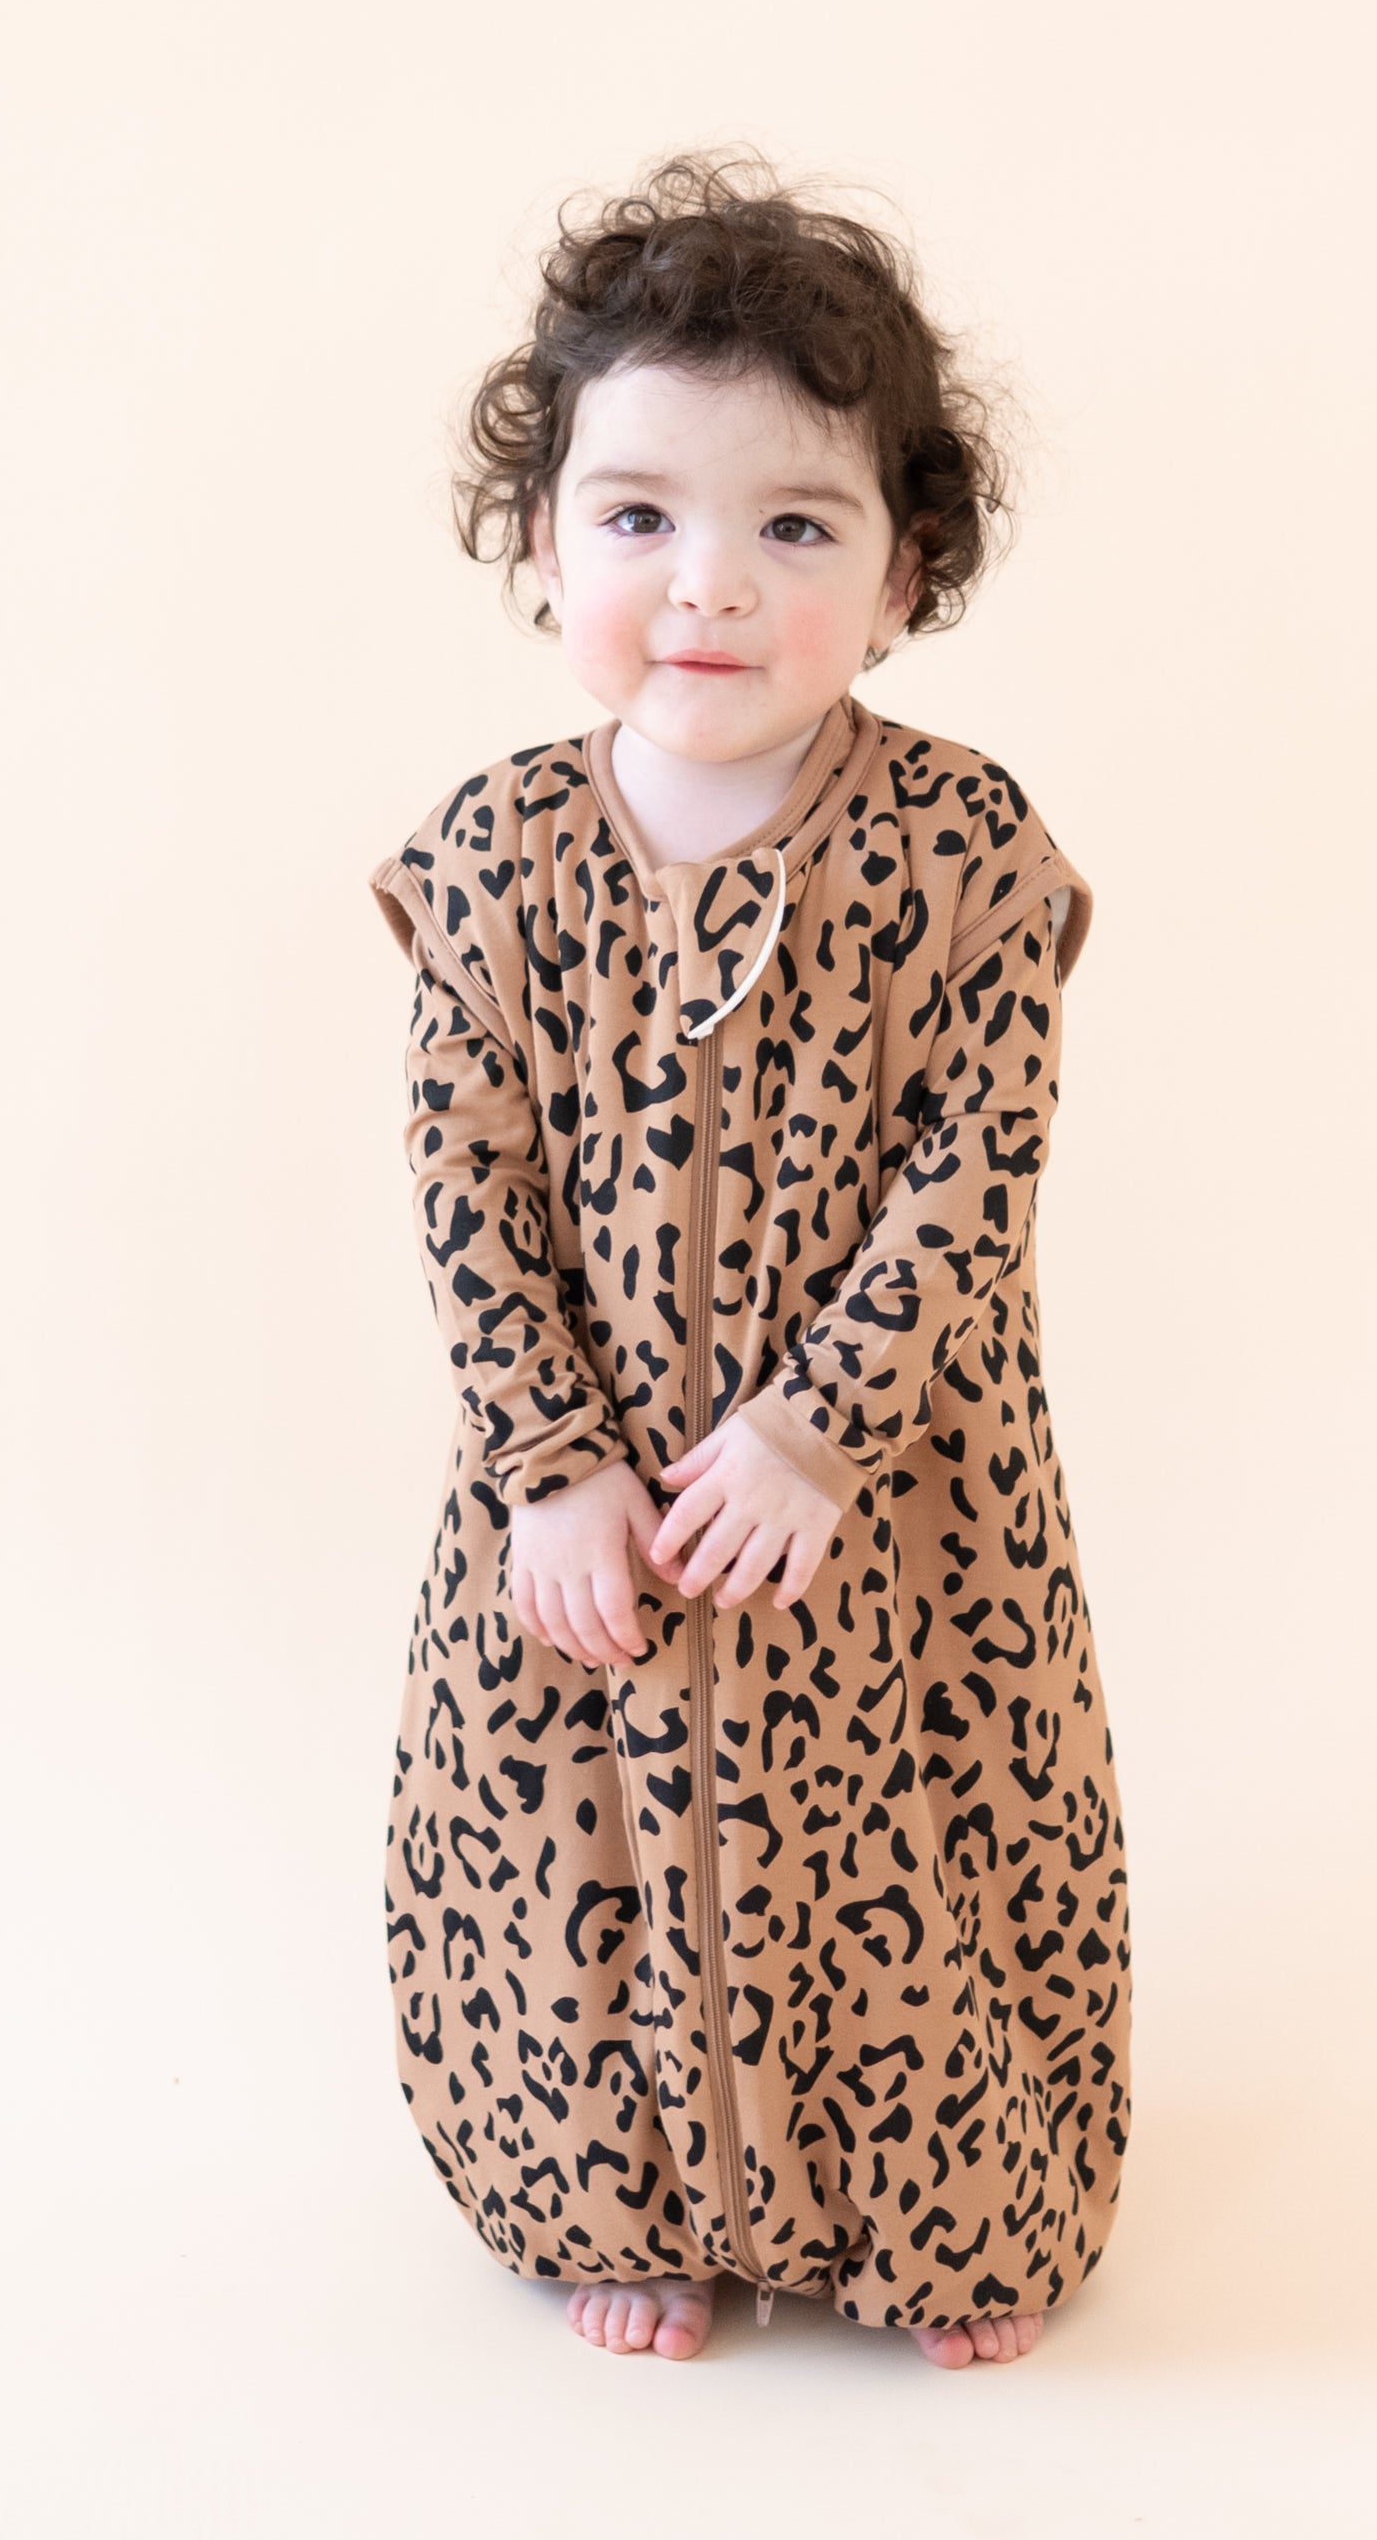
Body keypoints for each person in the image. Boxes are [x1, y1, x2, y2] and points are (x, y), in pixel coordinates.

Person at [366, 152, 1130, 2370]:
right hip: (596, 1509)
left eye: (796, 524)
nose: (711, 585)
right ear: (541, 553)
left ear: (903, 578)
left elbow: (976, 1171)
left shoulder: (966, 850)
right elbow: (466, 1190)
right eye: (637, 518)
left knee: (909, 1861)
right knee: (584, 1866)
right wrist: (553, 1467)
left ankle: (947, 2226)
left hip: (885, 1521)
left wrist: (816, 1428)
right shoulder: (497, 861)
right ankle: (622, 2192)